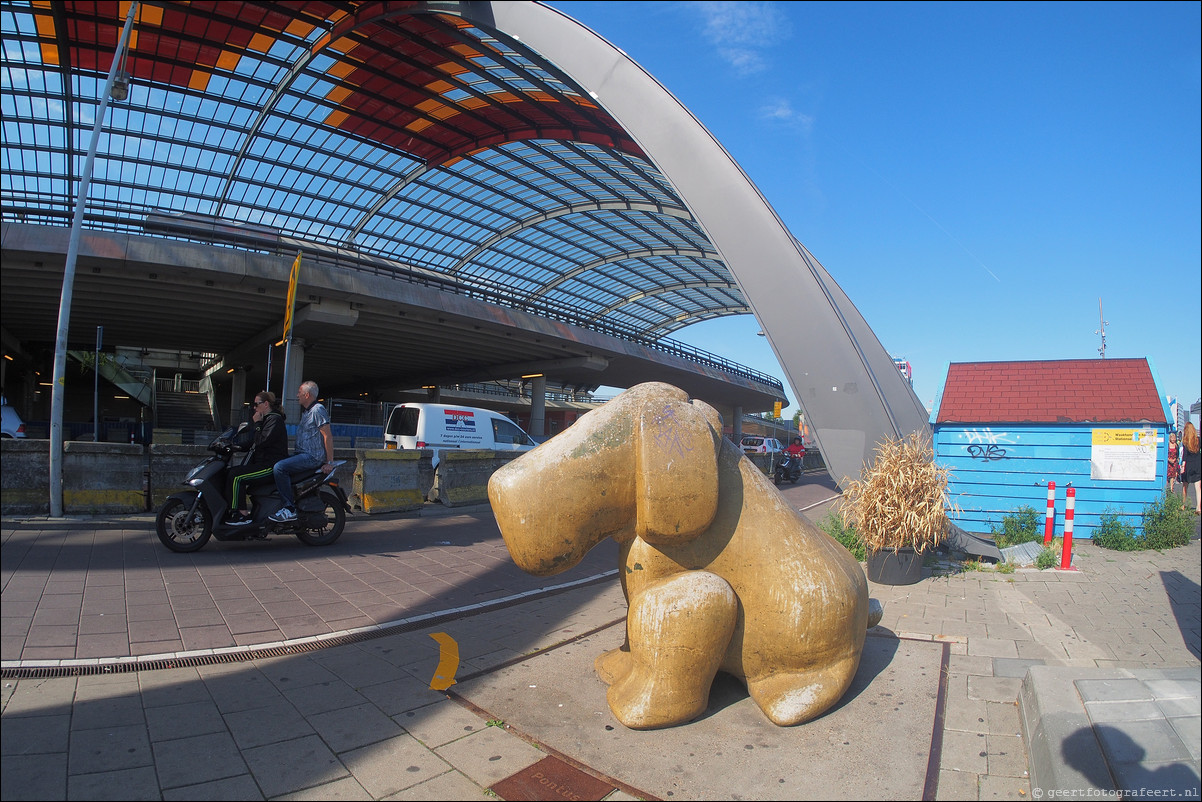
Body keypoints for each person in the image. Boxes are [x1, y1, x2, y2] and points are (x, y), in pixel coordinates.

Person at [269, 380, 335, 522]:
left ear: (307, 394)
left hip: (312, 457)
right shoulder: (307, 412)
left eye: (299, 392)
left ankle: (289, 508)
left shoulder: (317, 409)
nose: (297, 395)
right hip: (302, 455)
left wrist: (330, 462)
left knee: (279, 468)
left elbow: (327, 435)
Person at [223, 391, 288, 525]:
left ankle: (241, 515)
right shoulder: (267, 420)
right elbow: (253, 442)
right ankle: (233, 511)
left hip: (270, 465)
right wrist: (235, 446)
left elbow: (262, 441)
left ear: (265, 404)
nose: (254, 407)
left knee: (237, 476)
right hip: (262, 462)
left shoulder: (275, 420)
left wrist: (257, 424)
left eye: (256, 404)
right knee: (230, 472)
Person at [1181, 422, 1201, 515]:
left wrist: (1182, 467)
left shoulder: (1185, 441)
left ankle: (1183, 505)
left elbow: (1184, 456)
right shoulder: (1198, 440)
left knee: (1185, 486)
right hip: (1198, 464)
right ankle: (1198, 507)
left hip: (1188, 465)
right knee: (1198, 488)